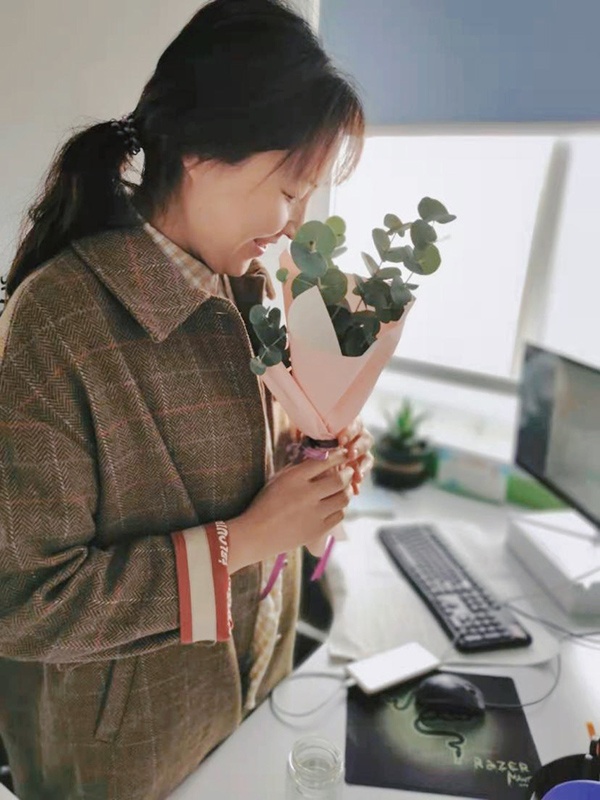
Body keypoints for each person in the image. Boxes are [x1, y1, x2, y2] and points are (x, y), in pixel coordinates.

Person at [0, 1, 372, 798]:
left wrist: (312, 459)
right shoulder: (58, 321)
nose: (295, 223)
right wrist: (249, 539)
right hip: (126, 751)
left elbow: (238, 474)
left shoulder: (252, 288)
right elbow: (23, 601)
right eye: (291, 189)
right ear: (203, 152)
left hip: (251, 692)